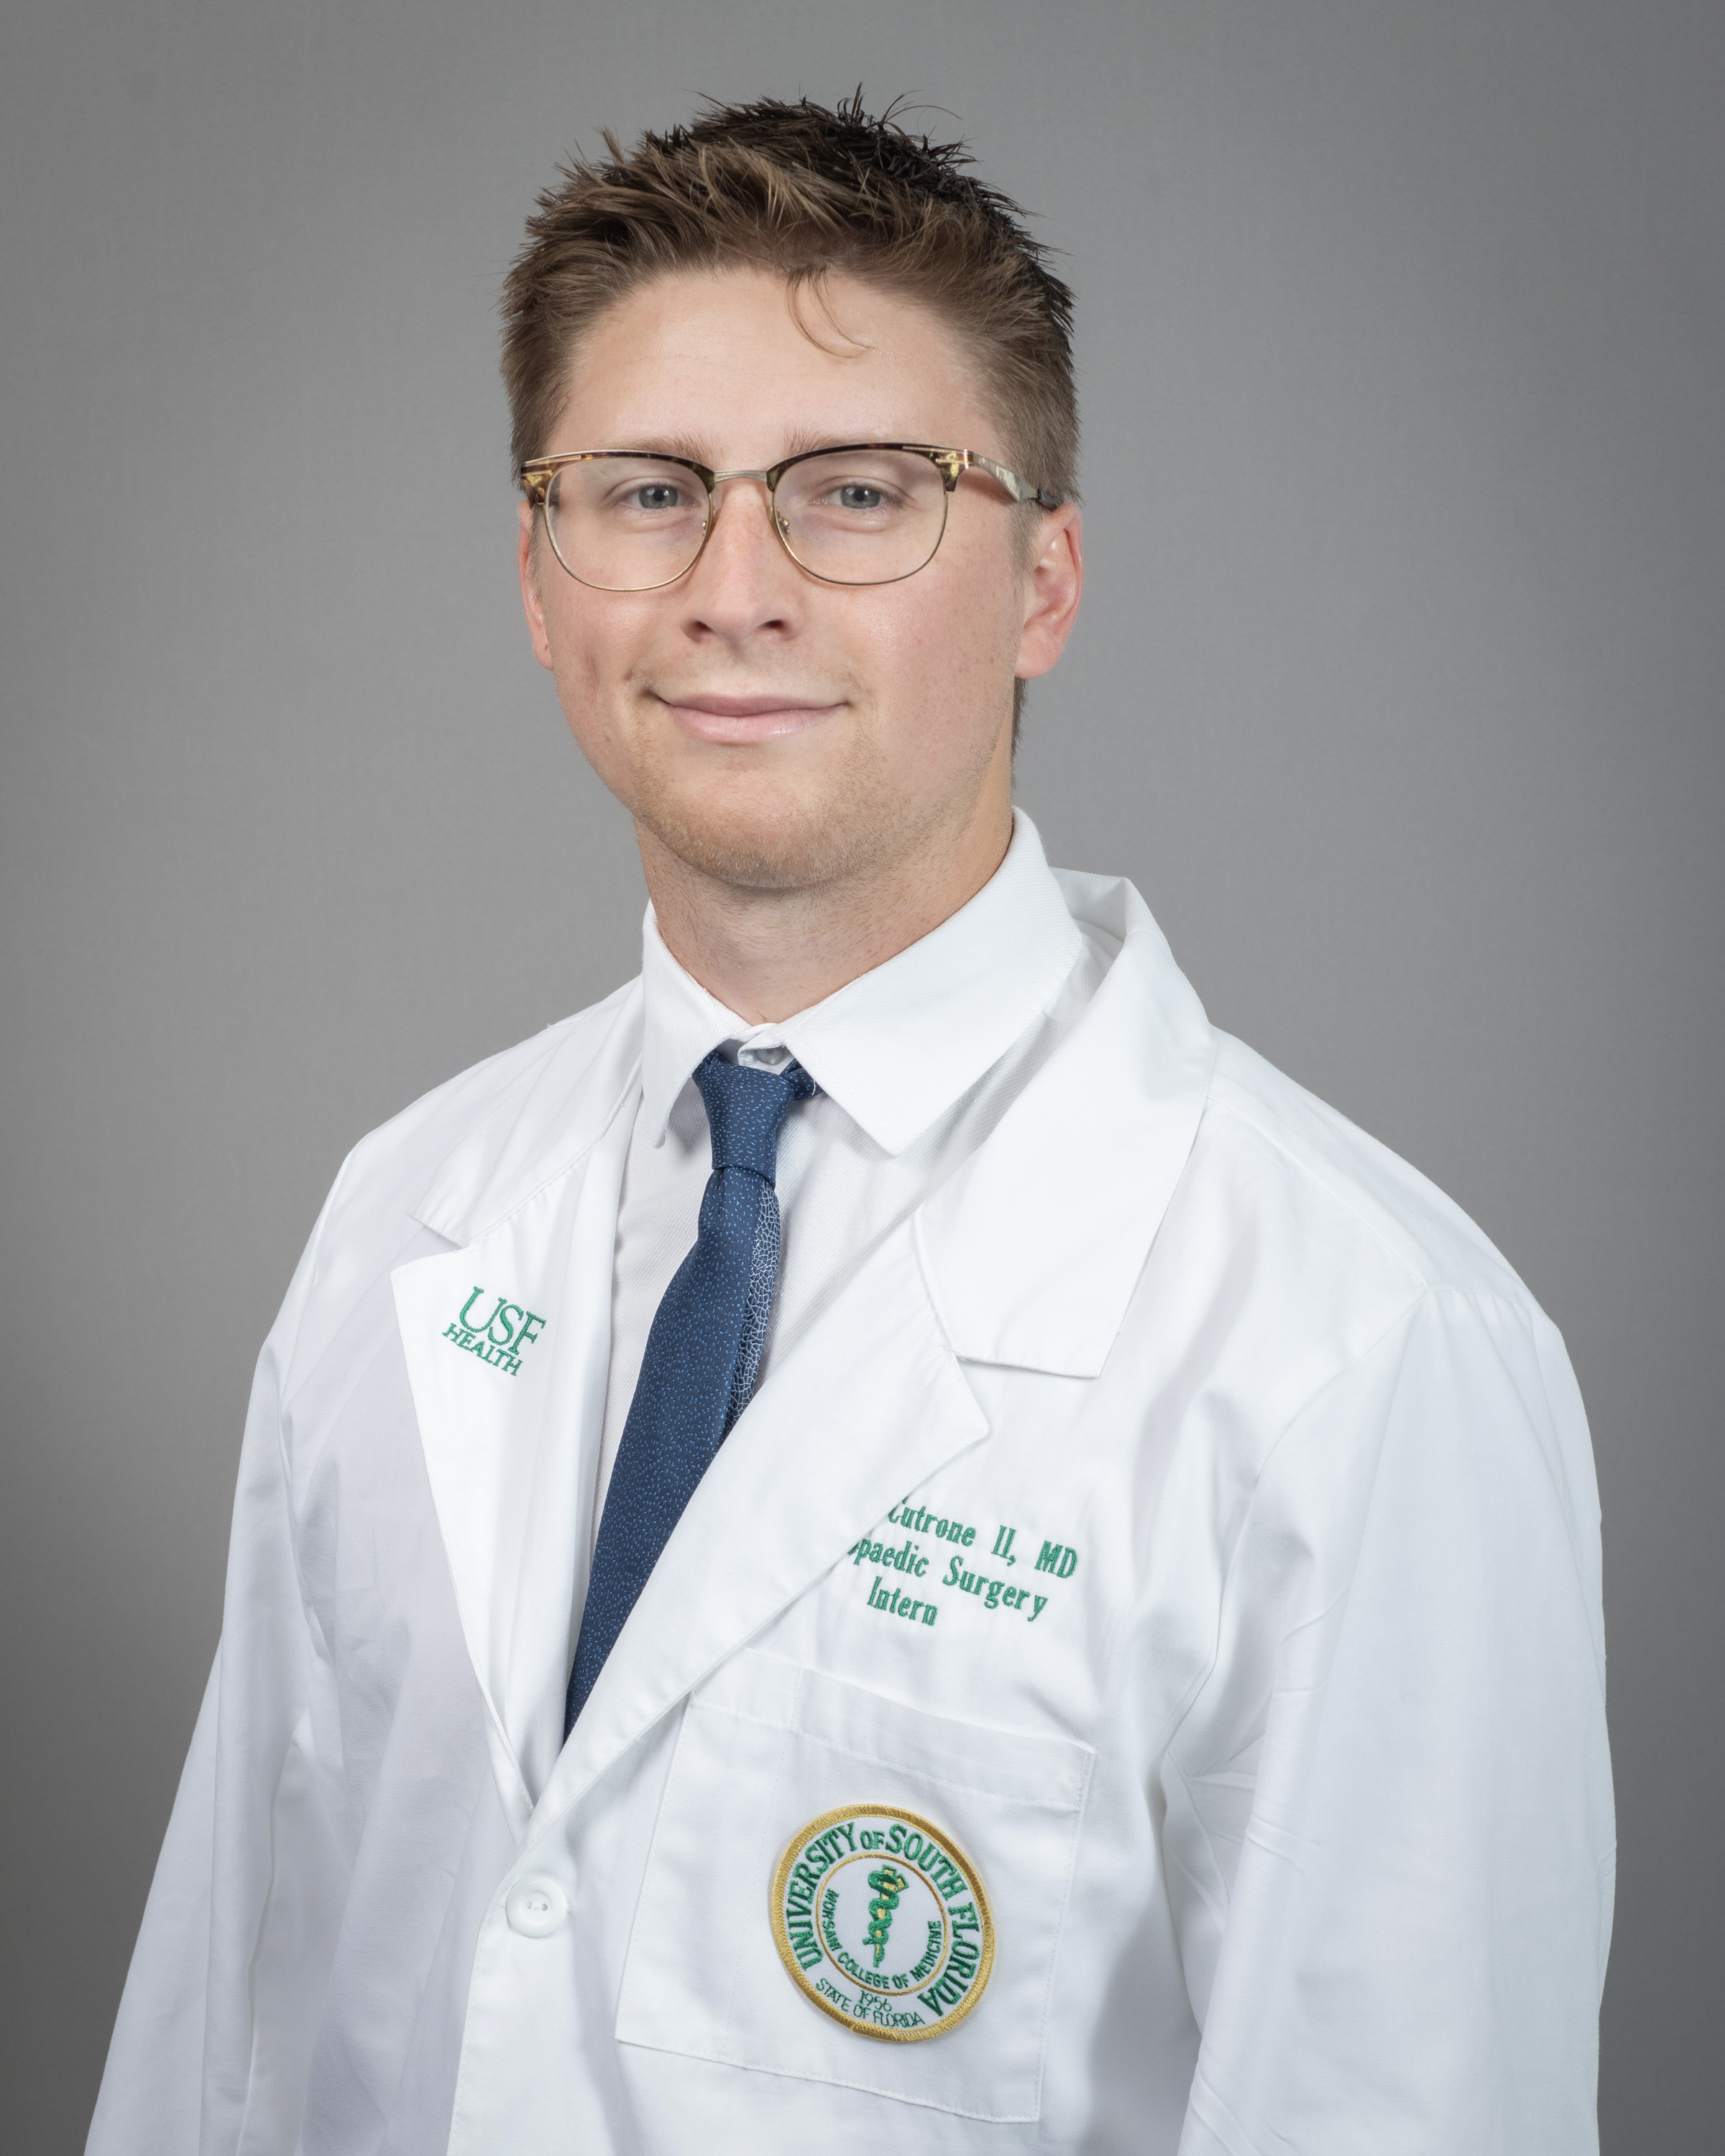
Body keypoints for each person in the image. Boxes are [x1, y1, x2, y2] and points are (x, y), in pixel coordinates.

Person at [88, 94, 1613, 2156]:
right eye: (644, 492)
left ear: (1044, 582)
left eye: (860, 491)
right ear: (542, 584)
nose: (735, 587)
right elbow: (227, 2044)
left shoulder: (1365, 1351)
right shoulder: (406, 1216)